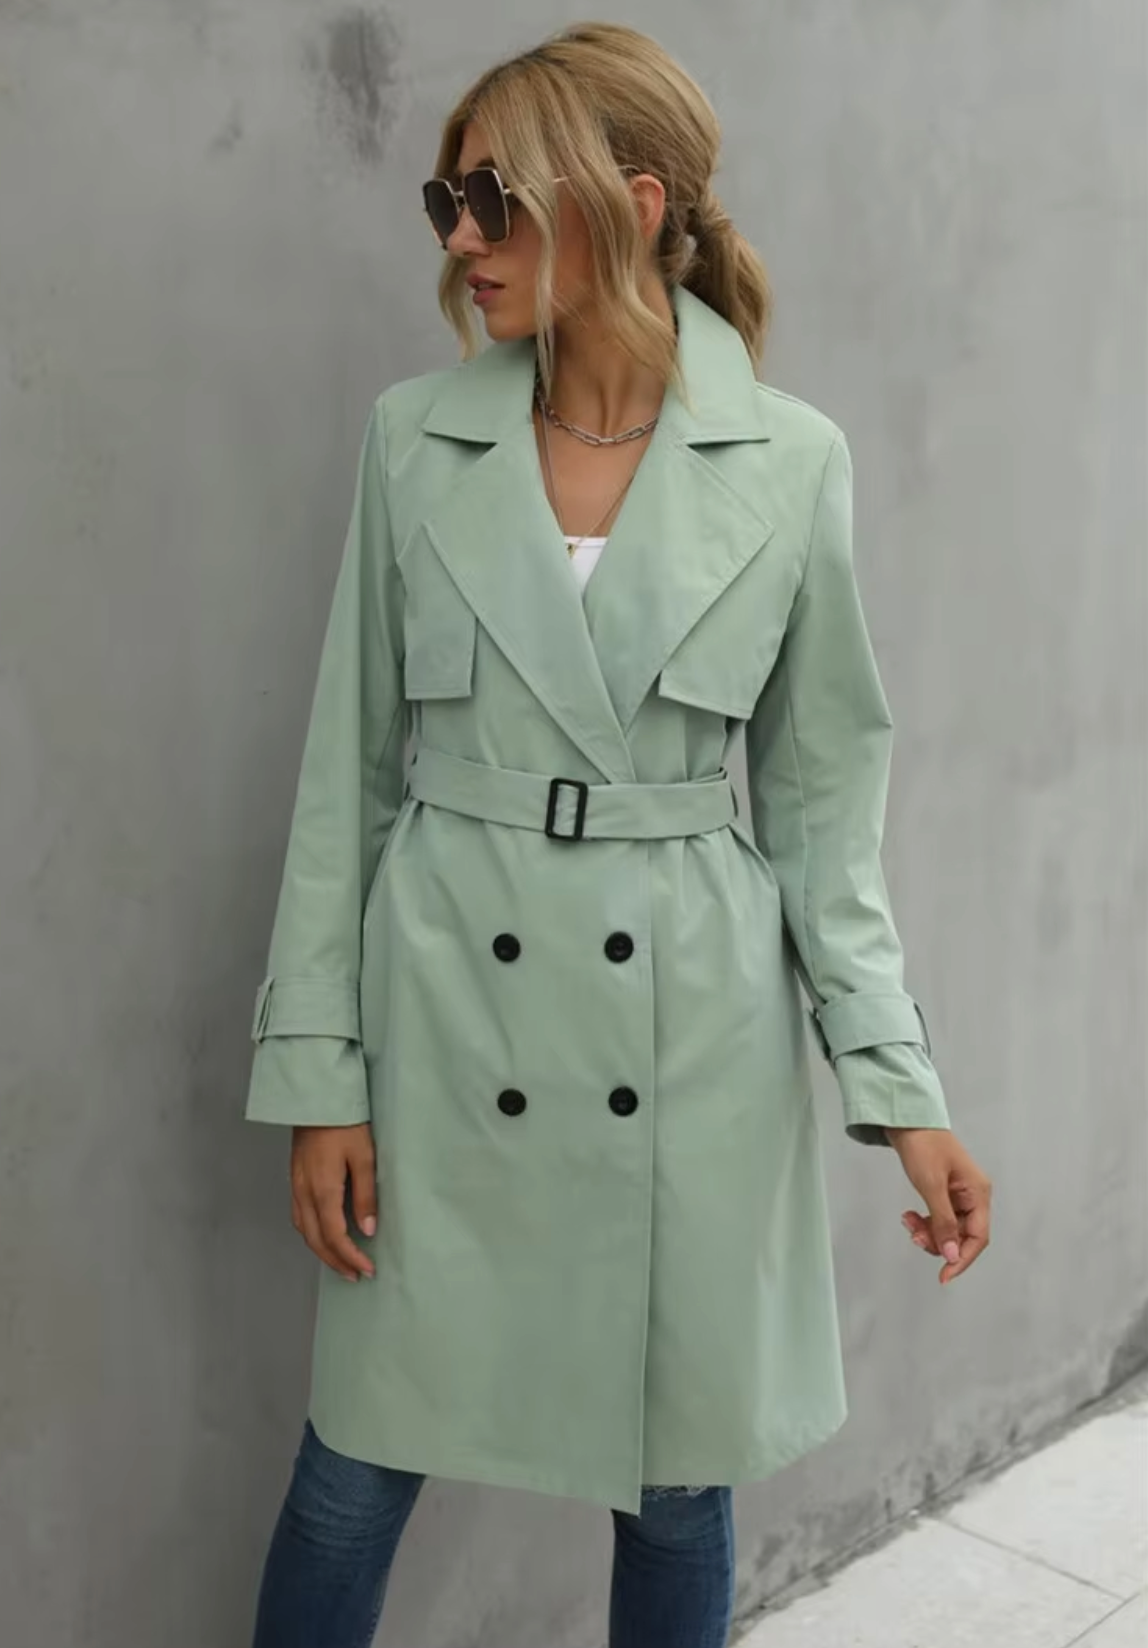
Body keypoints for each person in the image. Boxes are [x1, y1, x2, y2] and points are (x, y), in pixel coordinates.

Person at [245, 21, 993, 1648]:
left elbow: (821, 815)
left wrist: (900, 1092)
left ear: (633, 204)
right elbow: (343, 779)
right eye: (445, 201)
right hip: (445, 1016)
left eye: (493, 201)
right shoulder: (414, 438)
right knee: (350, 1470)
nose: (459, 240)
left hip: (688, 1042)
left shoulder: (789, 464)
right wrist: (319, 1072)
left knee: (674, 1491)